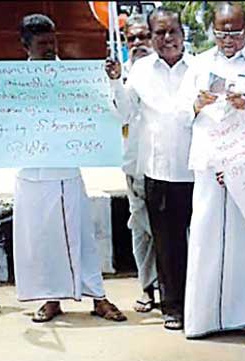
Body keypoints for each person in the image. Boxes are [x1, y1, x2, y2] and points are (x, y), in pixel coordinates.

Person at [0, 14, 125, 323]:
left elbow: (103, 108)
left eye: (52, 42)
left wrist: (110, 78)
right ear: (26, 45)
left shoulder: (72, 78)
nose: (49, 49)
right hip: (30, 173)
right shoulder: (10, 81)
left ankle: (98, 297)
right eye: (42, 44)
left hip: (65, 172)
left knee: (81, 237)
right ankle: (51, 299)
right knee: (40, 240)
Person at [179, 2, 245, 343]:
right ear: (213, 30)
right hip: (209, 162)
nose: (228, 39)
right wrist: (198, 103)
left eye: (235, 31)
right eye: (221, 31)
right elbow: (179, 113)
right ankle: (204, 317)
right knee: (206, 239)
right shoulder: (199, 64)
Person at [106, 8, 194, 330]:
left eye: (172, 32)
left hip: (198, 171)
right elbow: (126, 114)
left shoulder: (199, 68)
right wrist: (116, 82)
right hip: (158, 172)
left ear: (183, 34)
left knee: (202, 243)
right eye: (159, 33)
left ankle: (204, 306)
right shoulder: (141, 70)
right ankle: (174, 308)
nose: (166, 38)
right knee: (167, 246)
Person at [109, 14, 160, 316]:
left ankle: (173, 287)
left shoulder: (168, 69)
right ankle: (147, 288)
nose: (138, 44)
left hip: (170, 168)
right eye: (132, 39)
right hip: (134, 167)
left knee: (171, 232)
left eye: (144, 37)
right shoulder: (119, 74)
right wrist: (115, 81)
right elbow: (120, 115)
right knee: (141, 231)